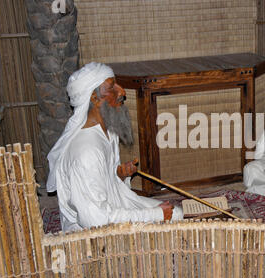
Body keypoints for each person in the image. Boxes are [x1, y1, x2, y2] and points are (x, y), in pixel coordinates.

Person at [46, 62, 183, 232]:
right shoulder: (86, 152)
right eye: (112, 88)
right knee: (170, 221)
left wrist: (119, 174)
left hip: (113, 205)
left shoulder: (107, 132)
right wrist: (155, 215)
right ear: (94, 99)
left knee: (176, 214)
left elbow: (105, 182)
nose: (122, 92)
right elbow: (95, 220)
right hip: (92, 231)